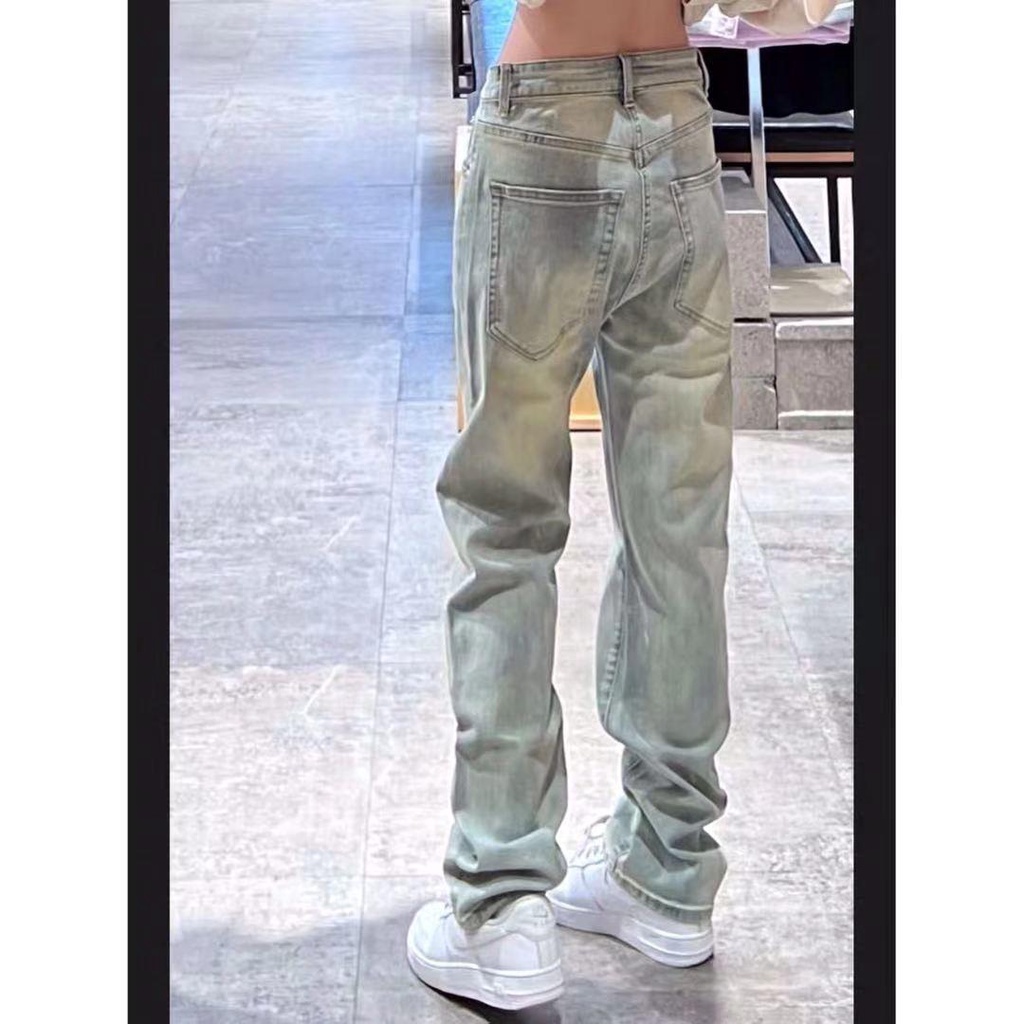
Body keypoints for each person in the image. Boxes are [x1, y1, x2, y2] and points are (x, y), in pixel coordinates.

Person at [406, 0, 838, 1011]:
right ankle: (668, 868)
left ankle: (500, 899)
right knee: (679, 526)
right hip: (676, 112)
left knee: (505, 525)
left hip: (544, 117)